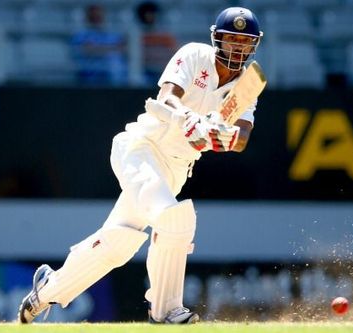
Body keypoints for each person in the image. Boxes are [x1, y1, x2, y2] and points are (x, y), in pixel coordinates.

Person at [17, 6, 263, 324]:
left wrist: (222, 134)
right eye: (230, 39)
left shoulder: (248, 83)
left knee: (117, 244)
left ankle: (45, 292)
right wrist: (187, 119)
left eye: (243, 41)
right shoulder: (195, 55)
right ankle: (165, 312)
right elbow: (166, 96)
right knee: (176, 219)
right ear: (216, 39)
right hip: (141, 149)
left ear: (253, 45)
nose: (236, 47)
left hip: (174, 170)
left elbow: (241, 136)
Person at [70, 4, 128, 85]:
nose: (96, 18)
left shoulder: (112, 34)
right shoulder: (80, 35)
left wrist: (97, 49)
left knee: (116, 64)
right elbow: (86, 50)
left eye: (98, 15)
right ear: (87, 17)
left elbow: (122, 48)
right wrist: (110, 49)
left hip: (110, 74)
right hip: (89, 74)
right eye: (93, 16)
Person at [134, 1, 177, 85]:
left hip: (162, 71)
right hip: (142, 72)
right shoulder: (134, 34)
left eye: (152, 14)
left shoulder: (165, 35)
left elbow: (173, 52)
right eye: (147, 14)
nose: (150, 17)